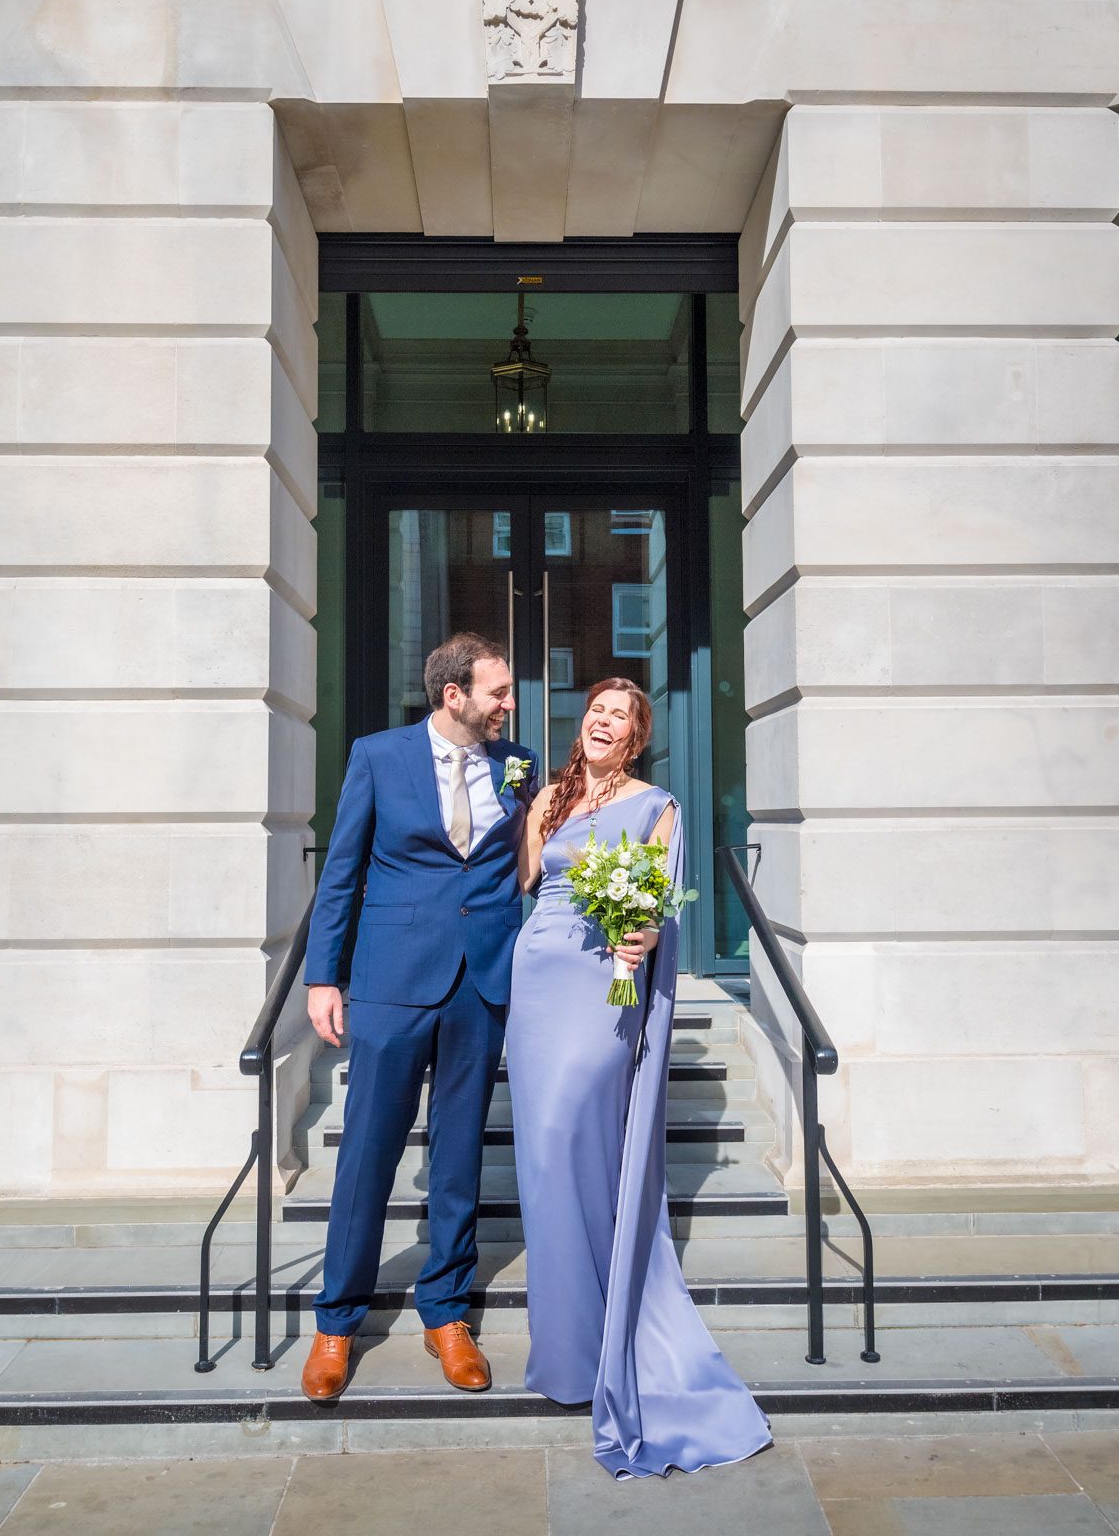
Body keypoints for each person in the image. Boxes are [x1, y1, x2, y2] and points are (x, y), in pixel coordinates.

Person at [506, 678, 772, 1477]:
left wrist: (640, 931)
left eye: (618, 715)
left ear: (637, 737)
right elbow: (525, 880)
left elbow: (656, 901)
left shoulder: (658, 805)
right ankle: (568, 1346)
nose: (602, 720)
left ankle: (613, 1317)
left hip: (602, 990)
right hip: (537, 979)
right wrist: (521, 802)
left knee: (570, 1138)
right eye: (595, 710)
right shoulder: (548, 796)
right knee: (542, 1161)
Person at [300, 632, 539, 1402]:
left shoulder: (517, 764)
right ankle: (336, 1323)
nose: (510, 704)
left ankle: (447, 1314)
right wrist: (322, 978)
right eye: (498, 692)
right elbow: (342, 872)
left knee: (460, 1156)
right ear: (454, 695)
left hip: (482, 982)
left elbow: (534, 859)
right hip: (391, 982)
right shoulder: (378, 756)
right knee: (367, 1152)